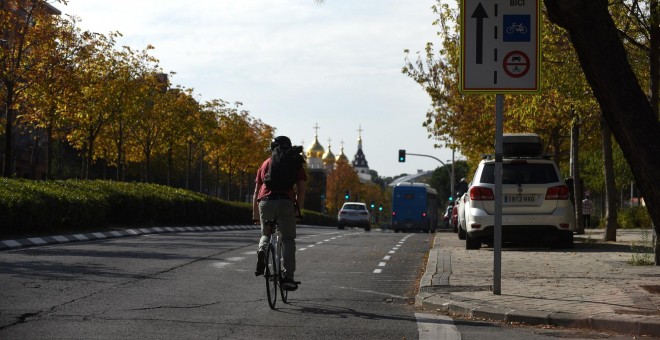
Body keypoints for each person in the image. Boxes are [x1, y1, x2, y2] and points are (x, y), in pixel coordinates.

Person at [252, 136, 307, 290]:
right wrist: (298, 211)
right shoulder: (295, 162)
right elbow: (301, 190)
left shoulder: (265, 164)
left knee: (266, 234)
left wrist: (255, 214)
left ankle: (262, 250)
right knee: (288, 240)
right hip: (285, 202)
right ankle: (289, 278)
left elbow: (256, 191)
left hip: (266, 202)